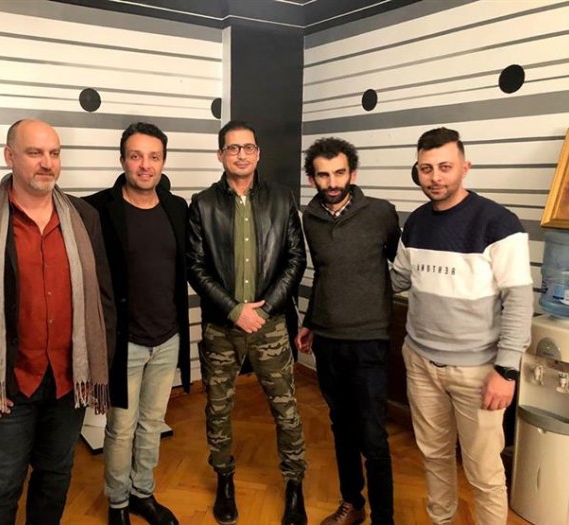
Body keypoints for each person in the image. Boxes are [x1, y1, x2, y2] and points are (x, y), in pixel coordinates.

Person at [0, 119, 116, 525]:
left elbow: (103, 298)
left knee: (55, 475)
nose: (47, 162)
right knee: (0, 486)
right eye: (35, 153)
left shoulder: (84, 216)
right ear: (10, 156)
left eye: (54, 153)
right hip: (4, 384)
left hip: (69, 380)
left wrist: (99, 364)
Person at [391, 127, 533, 525]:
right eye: (426, 169)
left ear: (464, 167)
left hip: (479, 371)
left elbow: (519, 300)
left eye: (445, 167)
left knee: (484, 473)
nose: (435, 177)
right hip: (420, 362)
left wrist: (506, 371)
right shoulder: (416, 223)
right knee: (434, 457)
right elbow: (398, 279)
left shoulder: (498, 222)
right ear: (417, 171)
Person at [187, 120, 308, 525]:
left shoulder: (282, 198)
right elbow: (195, 266)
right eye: (233, 148)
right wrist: (234, 309)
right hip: (222, 327)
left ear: (258, 153)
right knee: (218, 408)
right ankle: (224, 479)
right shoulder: (202, 204)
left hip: (270, 326)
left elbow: (295, 258)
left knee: (286, 409)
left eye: (248, 147)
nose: (241, 154)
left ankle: (294, 484)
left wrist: (267, 307)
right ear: (220, 154)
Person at [84, 122, 190, 525]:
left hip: (168, 338)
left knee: (152, 424)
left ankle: (143, 493)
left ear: (163, 161)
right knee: (121, 427)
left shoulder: (177, 208)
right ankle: (118, 503)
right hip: (123, 342)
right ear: (122, 160)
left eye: (154, 157)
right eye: (136, 156)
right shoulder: (97, 209)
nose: (145, 165)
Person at [295, 137, 400, 525]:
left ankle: (383, 518)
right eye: (323, 175)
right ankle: (352, 503)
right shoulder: (310, 218)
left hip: (369, 340)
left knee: (373, 435)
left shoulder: (382, 213)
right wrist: (310, 321)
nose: (332, 182)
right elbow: (324, 274)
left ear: (352, 174)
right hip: (328, 340)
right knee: (341, 426)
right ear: (312, 179)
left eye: (339, 173)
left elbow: (399, 267)